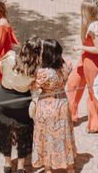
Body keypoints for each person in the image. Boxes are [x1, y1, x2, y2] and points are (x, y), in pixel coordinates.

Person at [0, 37, 42, 173]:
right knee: (24, 132)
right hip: (21, 102)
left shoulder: (10, 57)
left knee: (5, 130)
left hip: (4, 98)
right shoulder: (35, 70)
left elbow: (1, 67)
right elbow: (35, 88)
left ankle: (7, 164)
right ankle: (21, 167)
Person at [31, 39, 76, 173]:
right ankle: (70, 167)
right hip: (62, 103)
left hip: (46, 105)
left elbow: (33, 87)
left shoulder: (43, 72)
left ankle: (48, 167)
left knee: (46, 136)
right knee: (64, 135)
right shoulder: (64, 67)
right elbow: (66, 70)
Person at [67, 0, 98, 133]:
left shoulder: (94, 26)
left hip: (92, 62)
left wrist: (81, 46)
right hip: (84, 58)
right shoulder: (87, 23)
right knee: (72, 83)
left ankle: (96, 123)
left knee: (93, 92)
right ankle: (71, 114)